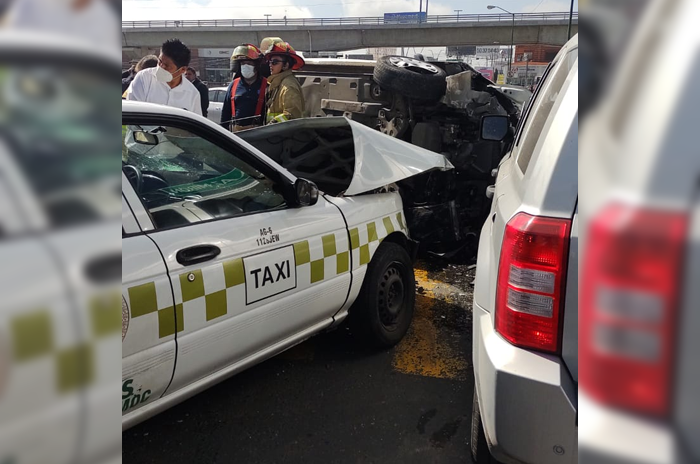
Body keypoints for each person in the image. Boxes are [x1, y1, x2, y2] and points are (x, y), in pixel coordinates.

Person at [126, 39, 202, 116]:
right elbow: (133, 113)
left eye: (167, 66)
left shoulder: (192, 94)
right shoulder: (144, 78)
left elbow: (196, 124)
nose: (161, 67)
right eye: (160, 61)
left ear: (182, 70)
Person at [220, 44, 268, 131]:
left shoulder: (266, 85)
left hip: (259, 133)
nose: (245, 66)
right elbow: (225, 114)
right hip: (236, 133)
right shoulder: (233, 85)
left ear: (256, 66)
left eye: (249, 63)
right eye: (243, 63)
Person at [261, 39, 305, 124]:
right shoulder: (277, 83)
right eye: (270, 62)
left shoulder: (288, 86)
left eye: (275, 62)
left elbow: (291, 115)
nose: (270, 65)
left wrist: (273, 123)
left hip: (285, 135)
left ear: (286, 65)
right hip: (276, 134)